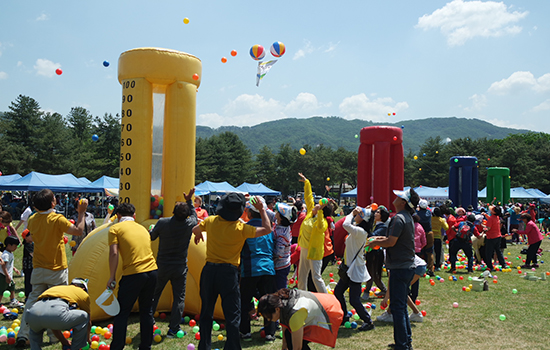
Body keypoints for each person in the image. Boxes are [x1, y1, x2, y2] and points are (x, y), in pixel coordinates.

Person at [192, 193, 271, 350]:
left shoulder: (211, 221)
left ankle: (204, 346)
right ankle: (232, 346)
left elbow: (195, 228)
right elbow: (267, 229)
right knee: (232, 313)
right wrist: (262, 210)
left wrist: (199, 234)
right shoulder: (241, 228)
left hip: (209, 271)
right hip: (229, 273)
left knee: (207, 311)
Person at [16, 189, 88, 348]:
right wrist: (81, 213)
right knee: (56, 303)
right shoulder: (57, 219)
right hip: (56, 268)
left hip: (39, 267)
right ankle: (54, 337)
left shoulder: (33, 219)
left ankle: (23, 334)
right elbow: (78, 231)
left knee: (33, 301)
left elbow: (33, 236)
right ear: (53, 203)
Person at [368, 188, 420, 350]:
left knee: (397, 308)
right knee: (401, 307)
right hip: (406, 266)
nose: (396, 197)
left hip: (400, 267)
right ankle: (405, 341)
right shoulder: (406, 217)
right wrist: (379, 238)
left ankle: (403, 345)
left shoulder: (398, 218)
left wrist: (374, 243)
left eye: (399, 197)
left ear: (403, 202)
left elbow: (391, 242)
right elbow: (393, 240)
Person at [107, 203, 158, 350]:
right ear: (134, 216)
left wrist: (112, 277)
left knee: (122, 312)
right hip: (152, 271)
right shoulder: (141, 228)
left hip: (134, 273)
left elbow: (114, 253)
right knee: (146, 311)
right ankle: (145, 346)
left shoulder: (115, 228)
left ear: (118, 216)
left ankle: (117, 346)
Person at [150, 189, 197, 338]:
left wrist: (150, 229)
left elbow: (151, 237)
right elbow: (195, 216)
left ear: (173, 212)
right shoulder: (189, 224)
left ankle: (148, 321)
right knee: (179, 297)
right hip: (179, 267)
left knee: (154, 294)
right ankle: (173, 328)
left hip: (162, 265)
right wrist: (189, 201)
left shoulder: (163, 222)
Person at [239, 197, 277, 343]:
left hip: (250, 270)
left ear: (248, 212)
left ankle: (245, 332)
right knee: (269, 302)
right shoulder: (269, 229)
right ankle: (270, 333)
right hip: (268, 269)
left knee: (244, 301)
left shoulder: (245, 229)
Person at [257, 288, 343, 350]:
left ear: (276, 309)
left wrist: (287, 345)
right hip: (326, 302)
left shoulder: (295, 315)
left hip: (330, 311)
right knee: (288, 336)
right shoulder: (281, 301)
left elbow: (297, 348)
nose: (268, 320)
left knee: (293, 341)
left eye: (268, 316)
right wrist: (284, 345)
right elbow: (285, 324)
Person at [336, 207, 375, 331]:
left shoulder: (360, 232)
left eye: (359, 214)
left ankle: (368, 321)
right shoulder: (358, 230)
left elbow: (345, 224)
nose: (356, 215)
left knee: (354, 299)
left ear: (363, 219)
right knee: (338, 292)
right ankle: (345, 316)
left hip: (355, 270)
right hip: (349, 268)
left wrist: (351, 213)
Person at [26, 278, 91, 350]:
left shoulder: (57, 288)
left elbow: (52, 322)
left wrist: (64, 342)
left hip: (33, 312)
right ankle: (75, 348)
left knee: (35, 332)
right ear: (83, 288)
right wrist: (87, 339)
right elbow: (88, 321)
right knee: (84, 316)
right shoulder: (82, 293)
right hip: (55, 312)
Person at [297, 173, 330, 293]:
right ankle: (302, 296)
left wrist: (320, 212)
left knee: (316, 277)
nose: (316, 204)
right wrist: (307, 182)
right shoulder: (311, 213)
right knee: (302, 276)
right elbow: (308, 197)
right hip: (304, 249)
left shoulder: (323, 221)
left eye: (319, 204)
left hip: (315, 252)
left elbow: (321, 227)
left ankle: (326, 299)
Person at [362, 206, 389, 300]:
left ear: (382, 216)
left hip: (377, 253)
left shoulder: (383, 227)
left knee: (374, 273)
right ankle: (384, 290)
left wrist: (365, 227)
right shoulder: (375, 225)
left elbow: (372, 236)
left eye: (378, 212)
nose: (375, 213)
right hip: (371, 252)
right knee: (373, 273)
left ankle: (367, 292)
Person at [273, 203, 297, 290]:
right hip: (283, 264)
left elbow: (279, 254)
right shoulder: (281, 226)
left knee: (280, 290)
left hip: (280, 267)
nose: (275, 213)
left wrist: (269, 255)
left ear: (280, 217)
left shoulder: (282, 234)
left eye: (277, 212)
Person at [0, 236, 23, 308]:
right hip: (3, 275)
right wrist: (7, 276)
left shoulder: (10, 253)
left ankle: (13, 301)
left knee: (12, 287)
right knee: (1, 289)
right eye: (15, 246)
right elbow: (3, 266)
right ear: (9, 245)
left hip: (8, 274)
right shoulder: (6, 254)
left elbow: (8, 264)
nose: (16, 248)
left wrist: (14, 269)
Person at [482, 205, 506, 271]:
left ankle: (490, 266)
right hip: (498, 236)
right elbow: (492, 220)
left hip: (491, 237)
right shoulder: (497, 217)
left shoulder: (491, 218)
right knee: (498, 251)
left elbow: (488, 228)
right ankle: (504, 264)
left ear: (494, 212)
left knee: (488, 253)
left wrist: (482, 226)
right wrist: (486, 215)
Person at [430, 207, 448, 272]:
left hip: (431, 237)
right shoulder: (441, 220)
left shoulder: (431, 219)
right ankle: (437, 266)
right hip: (438, 237)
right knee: (438, 252)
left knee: (430, 252)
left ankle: (431, 264)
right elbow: (446, 228)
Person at [21, 229, 34, 302]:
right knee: (28, 281)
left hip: (31, 266)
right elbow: (33, 254)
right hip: (28, 267)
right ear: (26, 238)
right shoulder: (28, 245)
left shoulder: (31, 244)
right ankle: (28, 296)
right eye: (31, 235)